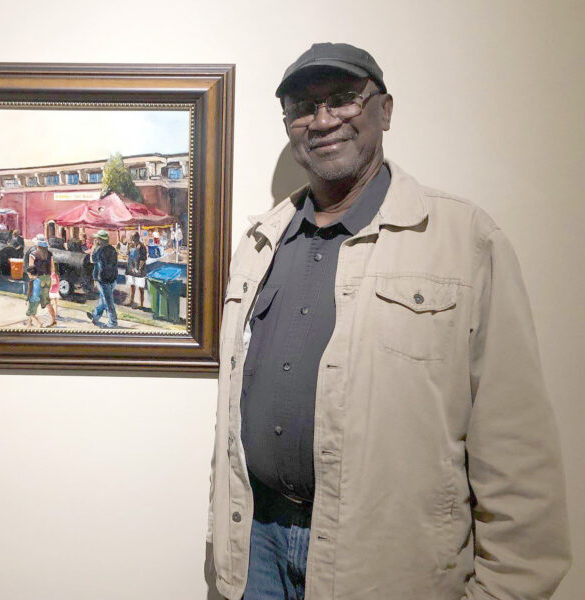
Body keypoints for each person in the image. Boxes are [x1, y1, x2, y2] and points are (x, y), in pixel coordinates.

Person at [207, 43, 570, 600]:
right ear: (288, 125)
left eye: (344, 99)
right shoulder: (259, 242)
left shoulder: (462, 240)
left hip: (385, 565)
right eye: (303, 105)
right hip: (257, 547)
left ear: (386, 110)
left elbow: (518, 452)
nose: (323, 119)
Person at [86, 230, 118, 328]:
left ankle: (112, 322)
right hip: (112, 278)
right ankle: (95, 316)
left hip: (102, 279)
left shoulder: (98, 249)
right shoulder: (112, 249)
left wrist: (94, 247)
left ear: (100, 240)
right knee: (103, 299)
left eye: (97, 238)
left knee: (108, 301)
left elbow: (92, 260)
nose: (96, 240)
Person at [26, 234, 56, 327]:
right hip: (47, 278)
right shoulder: (49, 254)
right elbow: (52, 268)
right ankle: (53, 320)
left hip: (37, 279)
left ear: (37, 244)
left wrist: (31, 278)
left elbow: (31, 269)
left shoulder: (33, 254)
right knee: (46, 301)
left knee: (33, 299)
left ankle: (37, 323)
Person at [126, 232, 147, 309]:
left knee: (141, 287)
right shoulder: (131, 246)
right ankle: (131, 301)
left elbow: (143, 259)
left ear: (137, 238)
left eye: (134, 238)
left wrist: (138, 269)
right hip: (131, 269)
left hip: (139, 270)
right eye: (132, 238)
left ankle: (141, 304)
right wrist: (130, 266)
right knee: (132, 286)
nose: (133, 239)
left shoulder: (142, 247)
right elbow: (128, 255)